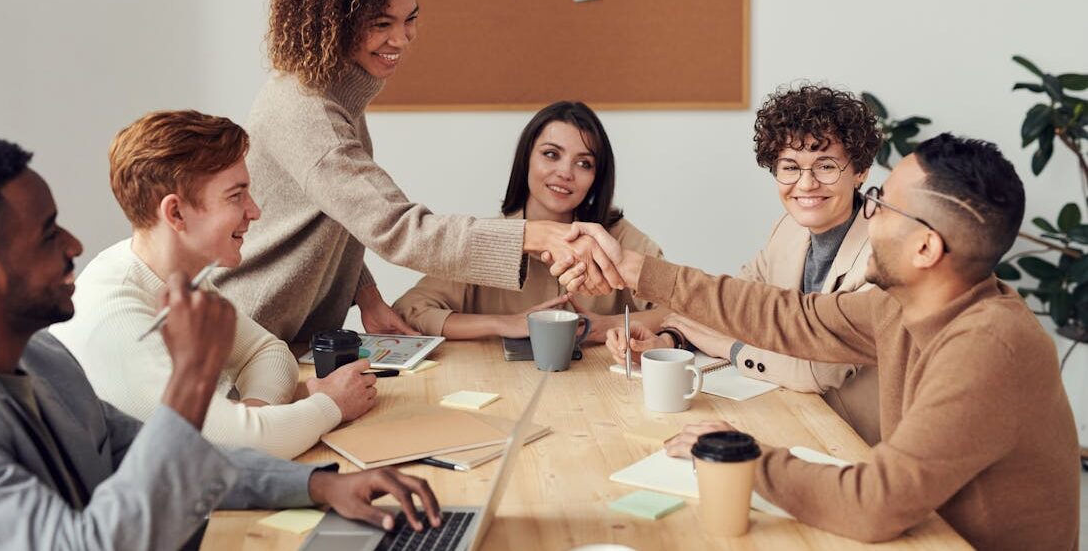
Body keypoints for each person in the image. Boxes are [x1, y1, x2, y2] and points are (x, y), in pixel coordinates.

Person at [567, 134, 1080, 550]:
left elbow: (873, 504)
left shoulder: (988, 346)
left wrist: (743, 457)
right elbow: (792, 318)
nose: (867, 212)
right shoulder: (904, 306)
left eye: (880, 203)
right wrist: (637, 270)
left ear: (926, 246)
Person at [0, 138, 441, 549]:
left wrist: (318, 485)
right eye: (48, 235)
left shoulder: (45, 360)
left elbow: (165, 455)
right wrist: (194, 378)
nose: (74, 245)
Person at [216, 0, 621, 343]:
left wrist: (367, 296)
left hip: (285, 339)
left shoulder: (333, 95)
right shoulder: (309, 112)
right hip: (247, 337)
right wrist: (532, 235)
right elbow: (398, 228)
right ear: (333, 22)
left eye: (410, 19)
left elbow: (342, 215)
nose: (401, 39)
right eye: (381, 23)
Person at [50, 111, 374, 459]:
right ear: (175, 214)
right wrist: (330, 405)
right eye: (236, 196)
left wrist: (254, 416)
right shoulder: (117, 317)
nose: (254, 211)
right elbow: (233, 449)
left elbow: (267, 352)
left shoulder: (175, 275)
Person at [607, 85, 883, 443]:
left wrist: (729, 347)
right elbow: (731, 305)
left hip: (857, 443)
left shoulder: (882, 253)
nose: (806, 183)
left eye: (826, 166)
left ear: (860, 171)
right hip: (792, 418)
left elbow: (815, 371)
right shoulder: (788, 229)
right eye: (790, 167)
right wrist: (670, 338)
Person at [393, 101, 669, 341]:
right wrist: (506, 323)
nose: (565, 172)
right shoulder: (487, 240)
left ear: (597, 178)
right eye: (551, 154)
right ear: (526, 159)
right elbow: (409, 311)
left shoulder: (620, 240)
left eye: (584, 163)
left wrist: (609, 325)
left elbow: (684, 310)